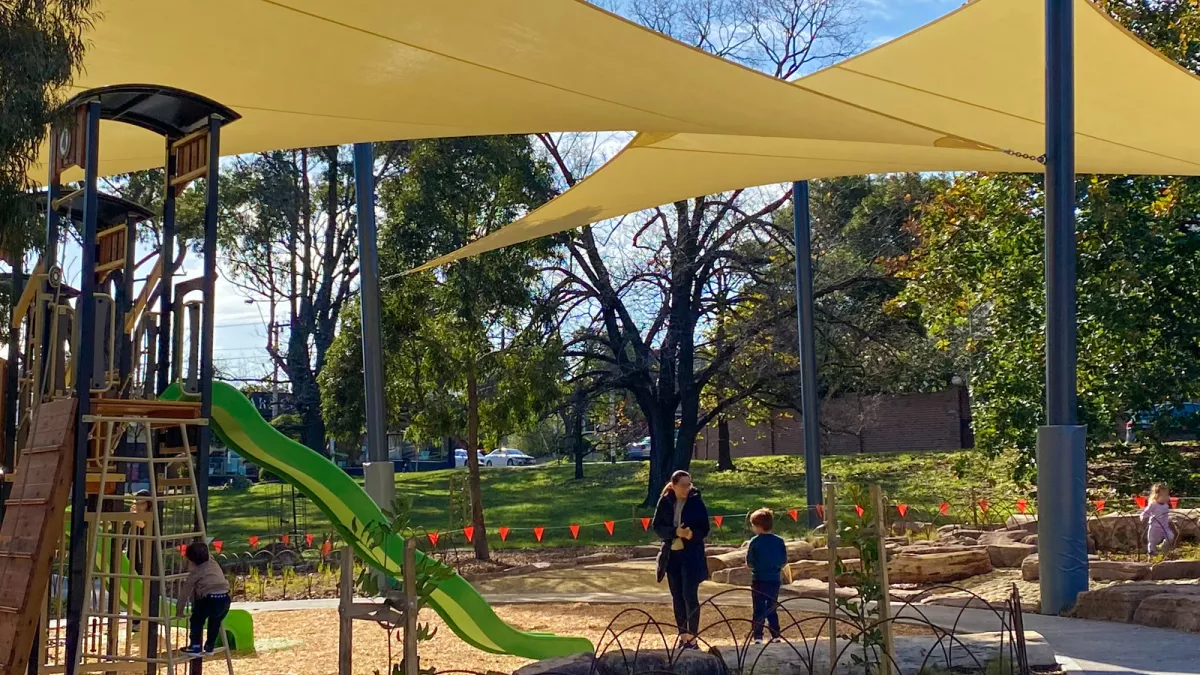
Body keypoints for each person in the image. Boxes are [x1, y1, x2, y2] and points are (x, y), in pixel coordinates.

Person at [653, 470, 709, 648]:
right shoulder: (665, 500)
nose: (687, 488)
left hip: (691, 555)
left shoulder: (696, 501)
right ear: (674, 485)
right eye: (683, 485)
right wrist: (675, 532)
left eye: (689, 484)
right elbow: (658, 526)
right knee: (677, 596)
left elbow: (704, 528)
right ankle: (683, 637)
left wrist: (691, 534)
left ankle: (693, 638)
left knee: (689, 595)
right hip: (672, 555)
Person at [178, 542, 231, 656]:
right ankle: (209, 647)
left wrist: (179, 610)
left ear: (191, 561)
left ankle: (195, 646)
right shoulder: (214, 563)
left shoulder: (196, 573)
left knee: (196, 620)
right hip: (225, 598)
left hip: (209, 599)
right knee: (215, 621)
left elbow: (185, 593)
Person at [746, 508, 786, 644]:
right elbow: (783, 561)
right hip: (774, 579)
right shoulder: (779, 541)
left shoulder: (755, 542)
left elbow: (749, 562)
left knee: (758, 607)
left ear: (758, 526)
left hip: (758, 579)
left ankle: (758, 635)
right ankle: (776, 634)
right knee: (772, 606)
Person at [1140, 483, 1175, 556]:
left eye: (1167, 495)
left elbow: (1166, 515)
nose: (1166, 497)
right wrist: (1143, 517)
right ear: (1156, 496)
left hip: (1165, 527)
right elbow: (1146, 512)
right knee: (1152, 541)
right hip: (1154, 527)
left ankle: (1163, 548)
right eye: (1163, 495)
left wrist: (1168, 520)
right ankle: (1151, 553)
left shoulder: (1166, 505)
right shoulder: (1153, 505)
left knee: (1170, 536)